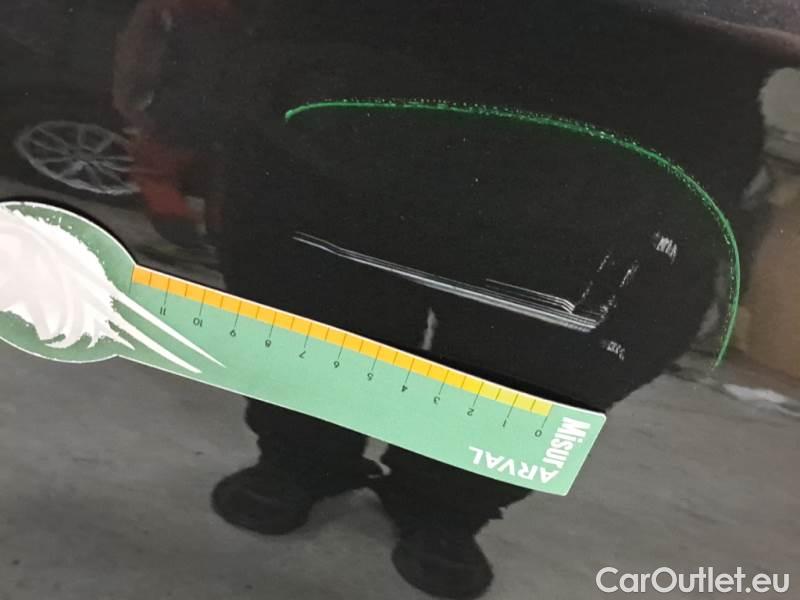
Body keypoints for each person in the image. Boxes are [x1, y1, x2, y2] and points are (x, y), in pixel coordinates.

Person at [114, 1, 793, 597]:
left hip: (643, 137)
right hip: (345, 79)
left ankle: (444, 506)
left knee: (547, 375)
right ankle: (300, 459)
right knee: (305, 315)